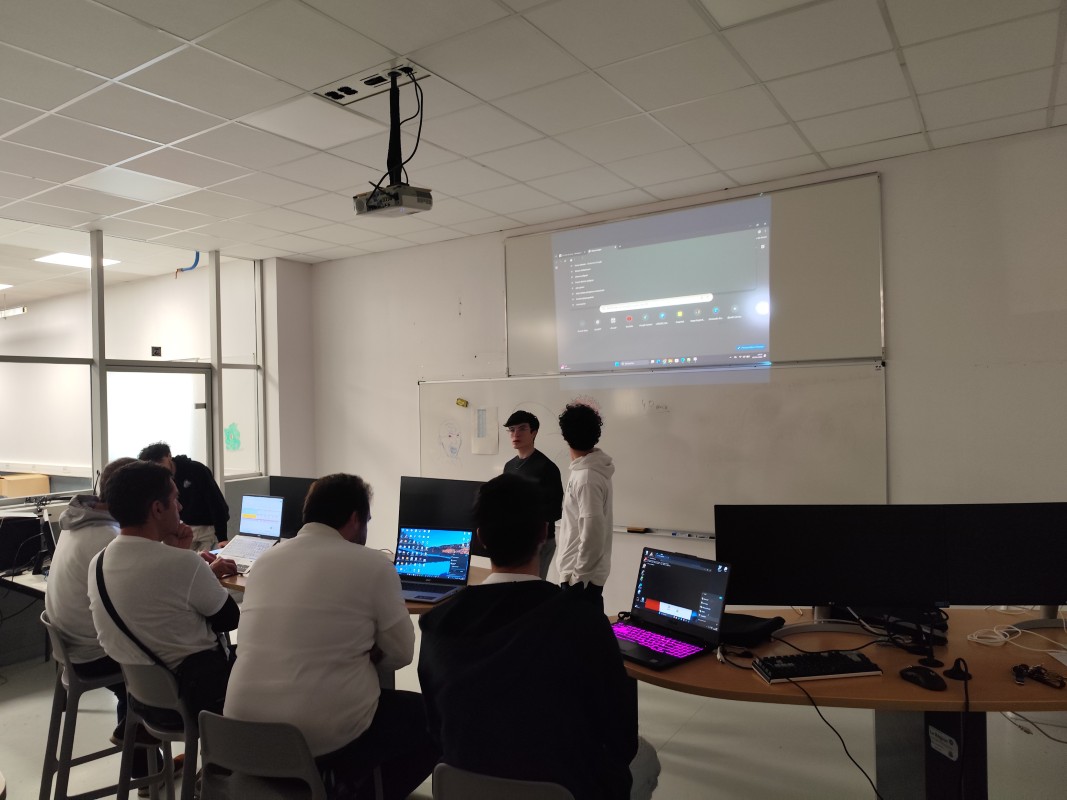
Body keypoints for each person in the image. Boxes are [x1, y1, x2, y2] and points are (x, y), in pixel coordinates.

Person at [418, 473, 659, 800]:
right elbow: (621, 740)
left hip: (463, 786)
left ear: (481, 538)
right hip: (567, 787)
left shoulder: (437, 623)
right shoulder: (584, 623)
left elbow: (436, 731)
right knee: (646, 758)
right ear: (544, 533)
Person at [224, 474, 438, 800]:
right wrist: (363, 651)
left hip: (237, 733)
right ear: (354, 519)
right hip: (315, 737)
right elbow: (401, 654)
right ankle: (352, 791)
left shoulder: (266, 561)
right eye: (366, 520)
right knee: (433, 718)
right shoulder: (372, 565)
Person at [88, 461, 239, 721]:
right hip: (199, 700)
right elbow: (229, 619)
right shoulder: (183, 563)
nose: (180, 507)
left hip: (142, 701)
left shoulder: (98, 562)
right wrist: (184, 558)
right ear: (158, 508)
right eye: (176, 499)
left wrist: (175, 552)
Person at [45, 457, 137, 742]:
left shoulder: (76, 523)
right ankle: (138, 739)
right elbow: (138, 609)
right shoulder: (108, 538)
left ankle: (138, 738)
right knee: (169, 660)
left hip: (70, 649)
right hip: (94, 656)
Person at [556, 402, 615, 598]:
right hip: (581, 579)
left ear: (565, 435)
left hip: (581, 583)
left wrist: (577, 580)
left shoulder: (587, 477)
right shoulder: (585, 470)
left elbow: (593, 536)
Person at [502, 409, 563, 579]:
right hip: (513, 538)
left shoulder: (546, 467)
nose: (516, 434)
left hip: (538, 542)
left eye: (522, 428)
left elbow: (555, 511)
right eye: (511, 430)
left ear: (534, 432)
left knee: (532, 587)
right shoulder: (509, 466)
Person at [138, 442, 229, 552]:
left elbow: (216, 503)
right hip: (181, 529)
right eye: (153, 466)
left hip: (206, 529)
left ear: (169, 456)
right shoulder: (157, 479)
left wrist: (222, 538)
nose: (158, 468)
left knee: (204, 560)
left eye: (160, 462)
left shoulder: (196, 470)